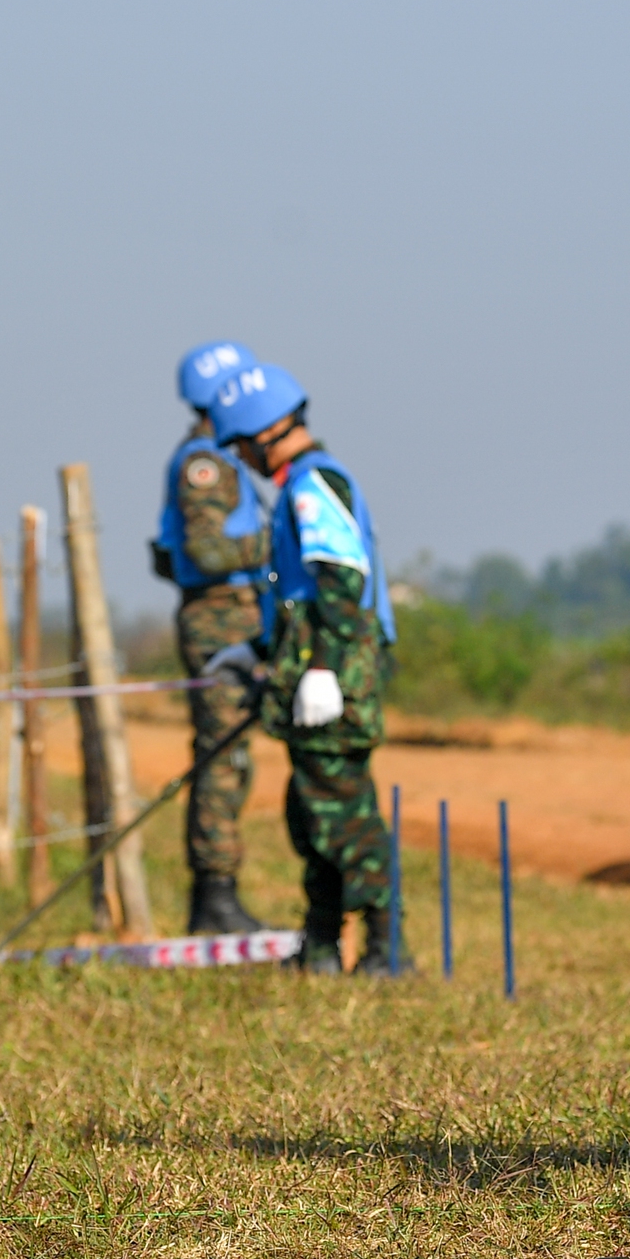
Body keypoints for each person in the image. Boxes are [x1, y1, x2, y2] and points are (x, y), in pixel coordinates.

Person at [206, 361, 407, 976]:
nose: (242, 459)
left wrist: (322, 670)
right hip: (310, 679)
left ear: (267, 433)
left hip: (335, 683)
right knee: (312, 813)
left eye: (242, 446)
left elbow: (340, 580)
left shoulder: (316, 484)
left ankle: (385, 952)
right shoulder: (298, 486)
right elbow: (296, 594)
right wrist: (262, 651)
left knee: (346, 817)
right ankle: (320, 945)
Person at [153, 340, 277, 935]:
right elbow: (205, 550)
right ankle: (215, 896)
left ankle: (219, 893)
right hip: (217, 618)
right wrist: (283, 545)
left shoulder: (216, 458)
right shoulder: (205, 464)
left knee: (231, 757)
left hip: (236, 615)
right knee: (221, 759)